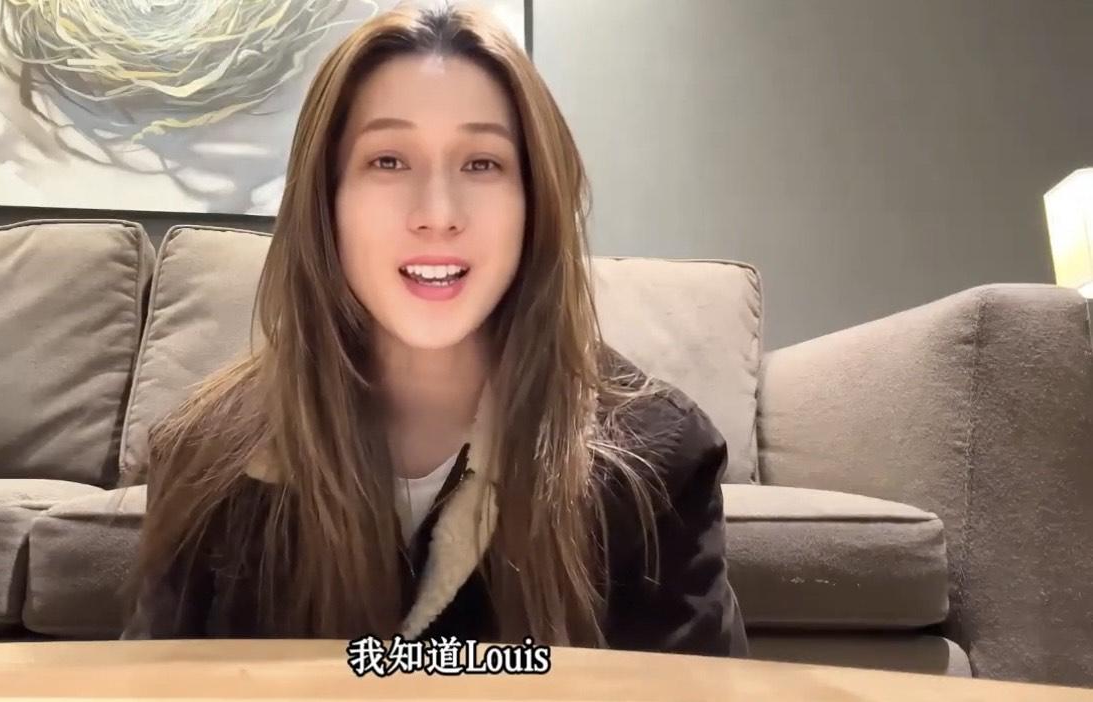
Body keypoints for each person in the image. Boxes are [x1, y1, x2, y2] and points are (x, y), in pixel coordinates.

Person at [122, 2, 748, 656]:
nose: (438, 213)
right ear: (326, 200)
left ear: (535, 202)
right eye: (389, 161)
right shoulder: (205, 456)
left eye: (482, 163)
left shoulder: (660, 458)